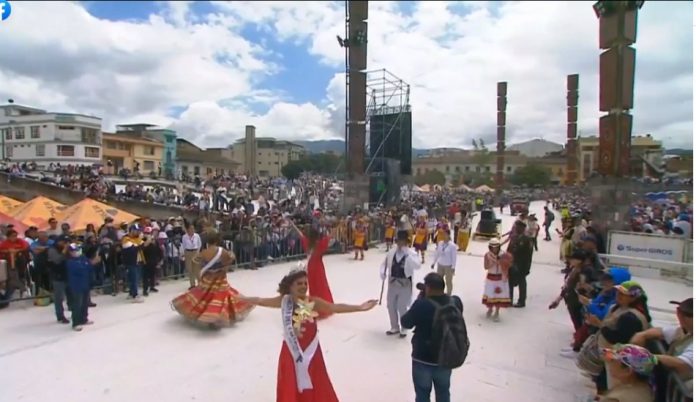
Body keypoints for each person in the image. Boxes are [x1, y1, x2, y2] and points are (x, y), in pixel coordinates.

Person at [239, 269, 377, 402]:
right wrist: (243, 298)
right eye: (299, 283)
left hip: (311, 349)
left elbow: (334, 307)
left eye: (305, 283)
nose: (303, 286)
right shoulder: (284, 301)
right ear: (290, 286)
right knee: (289, 379)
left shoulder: (313, 302)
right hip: (291, 350)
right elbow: (260, 300)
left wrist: (359, 307)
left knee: (315, 378)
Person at [401, 273, 467, 402]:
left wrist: (420, 300)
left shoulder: (421, 304)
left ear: (428, 288)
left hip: (423, 358)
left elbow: (405, 322)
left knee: (422, 394)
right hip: (446, 356)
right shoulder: (455, 301)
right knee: (443, 392)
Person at [171, 230, 254, 328]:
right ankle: (219, 316)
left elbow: (194, 262)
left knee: (205, 297)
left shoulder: (204, 252)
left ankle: (208, 317)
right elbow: (230, 259)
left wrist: (200, 275)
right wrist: (224, 268)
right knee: (221, 297)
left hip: (208, 278)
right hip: (220, 279)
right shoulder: (222, 251)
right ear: (217, 240)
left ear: (207, 241)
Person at [630, 298, 692, 398]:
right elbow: (662, 331)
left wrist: (651, 357)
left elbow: (682, 363)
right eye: (679, 311)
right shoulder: (686, 330)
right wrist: (642, 335)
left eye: (686, 314)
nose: (679, 315)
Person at [380, 230, 421, 337]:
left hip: (405, 283)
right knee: (390, 305)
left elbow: (417, 266)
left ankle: (404, 327)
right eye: (398, 241)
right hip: (392, 282)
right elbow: (384, 265)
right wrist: (382, 273)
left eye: (402, 241)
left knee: (402, 306)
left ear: (407, 242)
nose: (400, 244)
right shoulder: (391, 252)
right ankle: (394, 326)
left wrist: (408, 255)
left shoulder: (412, 253)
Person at [289, 220, 334, 319]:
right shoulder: (320, 244)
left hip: (310, 267)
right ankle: (324, 307)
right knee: (321, 286)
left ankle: (316, 307)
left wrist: (293, 225)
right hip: (318, 267)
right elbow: (330, 236)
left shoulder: (307, 243)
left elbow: (300, 234)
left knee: (313, 287)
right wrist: (340, 225)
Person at [66, 243, 100, 332]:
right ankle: (76, 323)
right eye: (74, 251)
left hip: (85, 284)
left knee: (85, 303)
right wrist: (91, 263)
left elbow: (89, 267)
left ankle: (84, 318)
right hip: (76, 286)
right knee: (77, 304)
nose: (77, 252)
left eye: (78, 250)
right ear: (70, 252)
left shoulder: (83, 258)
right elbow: (81, 268)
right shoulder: (70, 262)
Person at [482, 238, 512, 321]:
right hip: (491, 277)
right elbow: (485, 267)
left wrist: (501, 262)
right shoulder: (487, 255)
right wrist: (492, 263)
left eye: (496, 247)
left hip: (500, 277)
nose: (494, 249)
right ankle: (490, 308)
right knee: (490, 294)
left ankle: (497, 312)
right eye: (492, 247)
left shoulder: (504, 255)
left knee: (499, 295)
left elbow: (508, 266)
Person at [430, 230, 457, 296]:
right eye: (443, 234)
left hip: (448, 265)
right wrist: (434, 262)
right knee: (439, 280)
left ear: (448, 235)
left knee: (448, 281)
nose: (444, 236)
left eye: (445, 234)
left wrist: (453, 267)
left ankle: (448, 294)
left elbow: (454, 257)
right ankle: (439, 293)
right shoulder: (440, 243)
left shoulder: (452, 246)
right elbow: (437, 253)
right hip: (440, 264)